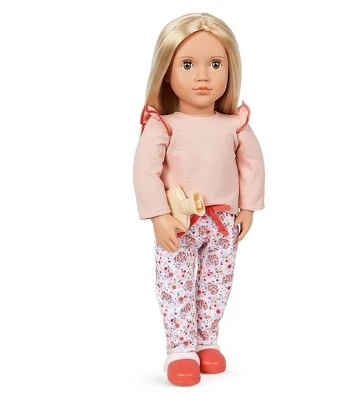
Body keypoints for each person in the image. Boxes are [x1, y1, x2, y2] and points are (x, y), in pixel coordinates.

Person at [133, 12, 265, 386]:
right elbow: (145, 171)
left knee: (216, 283)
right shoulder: (163, 125)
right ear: (167, 73)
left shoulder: (235, 124)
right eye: (188, 65)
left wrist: (248, 207)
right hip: (179, 222)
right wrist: (158, 215)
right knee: (175, 284)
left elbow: (252, 165)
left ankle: (207, 339)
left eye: (216, 64)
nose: (203, 76)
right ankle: (180, 348)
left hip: (223, 223)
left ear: (230, 69)